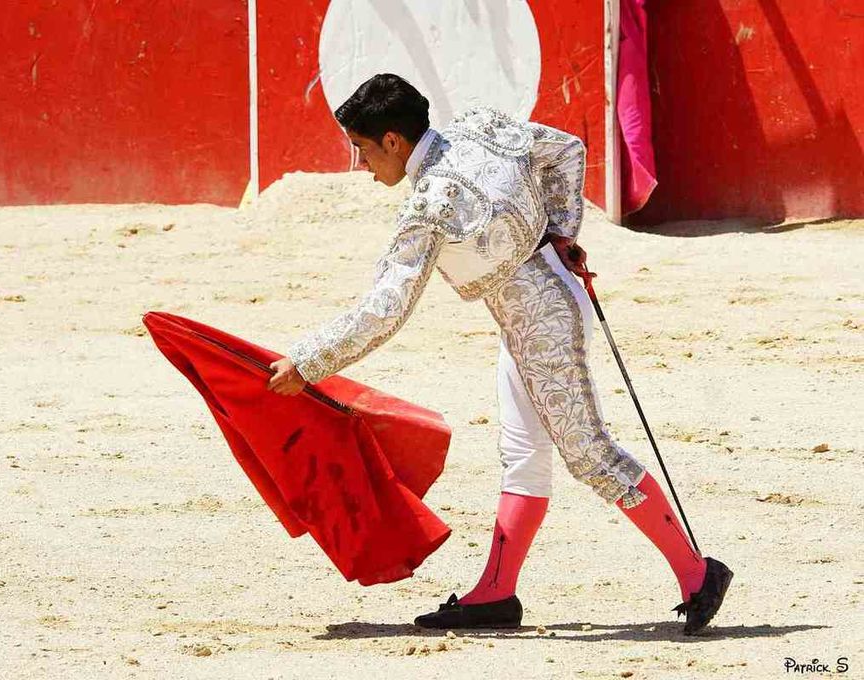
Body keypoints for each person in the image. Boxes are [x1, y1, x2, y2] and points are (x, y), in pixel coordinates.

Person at [267, 73, 731, 635]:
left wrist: (307, 360)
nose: (361, 166)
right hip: (544, 305)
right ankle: (496, 592)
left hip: (543, 322)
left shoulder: (429, 205)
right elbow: (567, 150)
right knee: (523, 455)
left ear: (393, 141)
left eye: (363, 149)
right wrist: (560, 232)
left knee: (589, 454)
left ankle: (697, 572)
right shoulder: (480, 128)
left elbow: (385, 310)